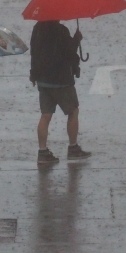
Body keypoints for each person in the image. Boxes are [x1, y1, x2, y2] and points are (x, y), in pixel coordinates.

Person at [29, 19, 92, 164]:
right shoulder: (61, 31)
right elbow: (69, 53)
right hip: (61, 81)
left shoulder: (37, 29)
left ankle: (43, 151)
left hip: (43, 80)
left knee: (45, 115)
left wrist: (33, 74)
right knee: (73, 111)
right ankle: (73, 148)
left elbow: (34, 52)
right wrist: (76, 39)